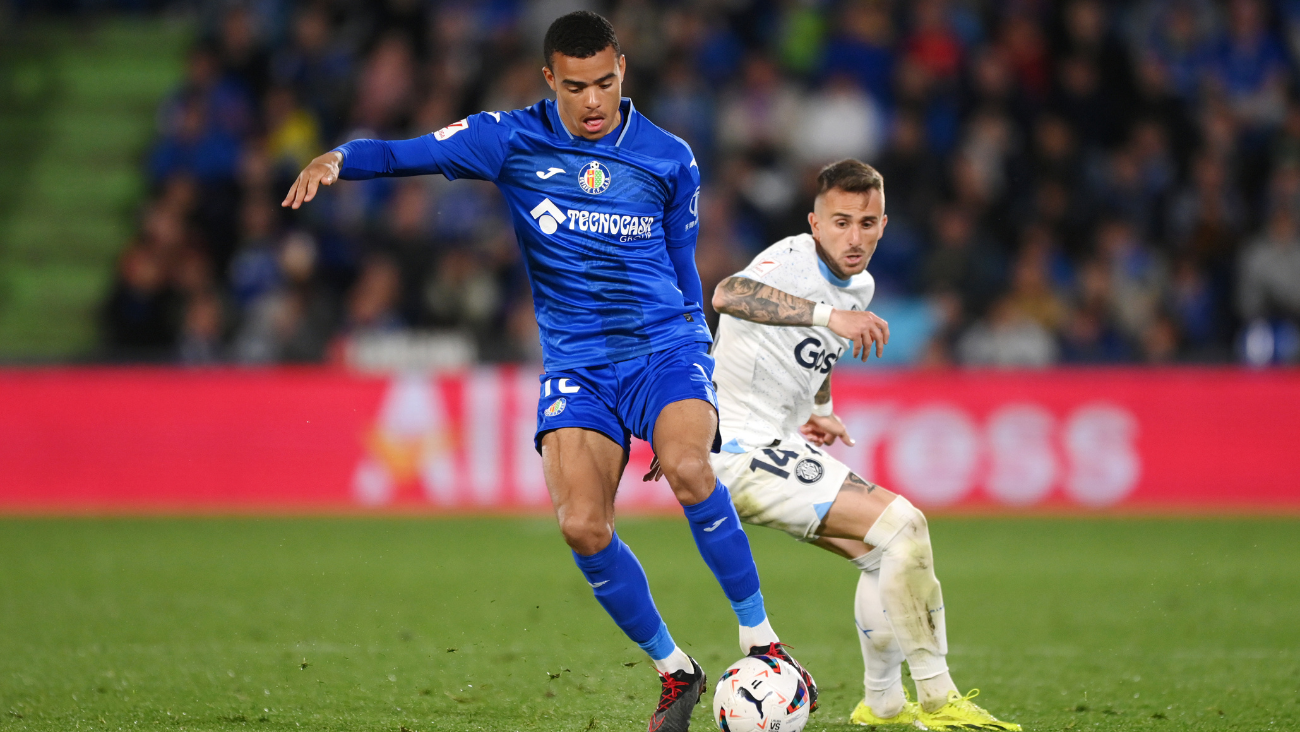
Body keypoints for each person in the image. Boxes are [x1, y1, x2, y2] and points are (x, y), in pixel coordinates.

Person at [281, 11, 813, 731]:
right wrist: (336, 160)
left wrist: (699, 364)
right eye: (575, 86)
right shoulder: (509, 139)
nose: (592, 101)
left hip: (665, 349)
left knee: (690, 468)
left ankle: (764, 644)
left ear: (622, 70)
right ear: (548, 80)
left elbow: (685, 266)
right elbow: (404, 152)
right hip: (579, 367)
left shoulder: (669, 156)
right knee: (582, 527)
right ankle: (675, 671)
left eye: (604, 82)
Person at [651, 159, 1019, 730]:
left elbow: (820, 349)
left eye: (867, 223)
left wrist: (820, 410)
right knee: (906, 526)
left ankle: (884, 706)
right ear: (815, 223)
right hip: (734, 444)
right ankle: (939, 699)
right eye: (840, 221)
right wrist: (832, 316)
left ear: (883, 224)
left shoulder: (861, 285)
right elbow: (727, 293)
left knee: (886, 556)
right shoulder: (793, 261)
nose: (854, 237)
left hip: (772, 436)